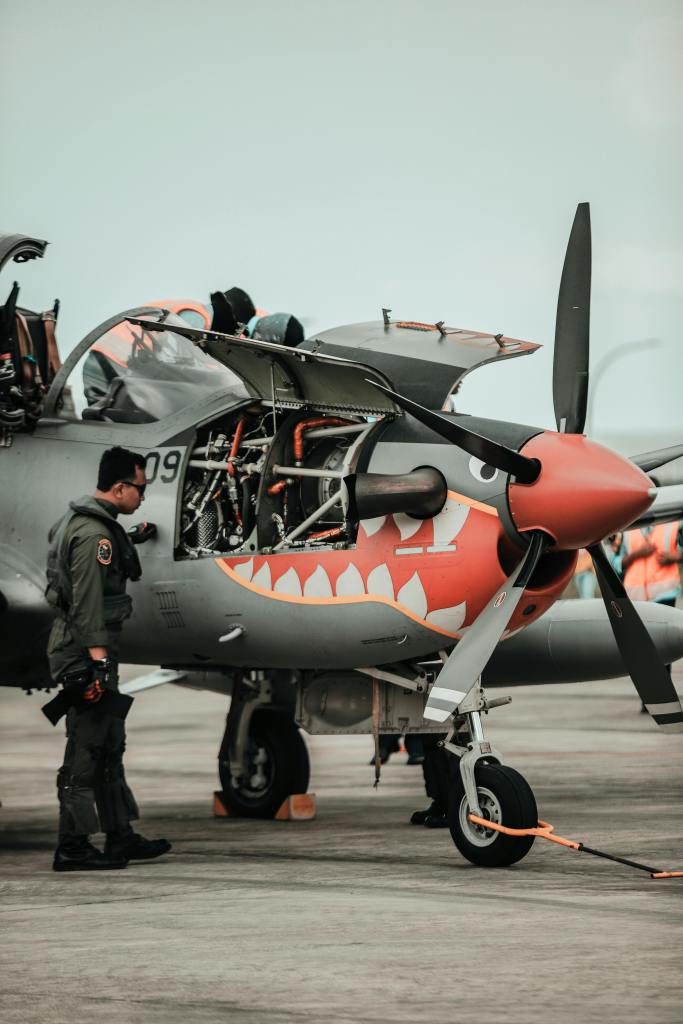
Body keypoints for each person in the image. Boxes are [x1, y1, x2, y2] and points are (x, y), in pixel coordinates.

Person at [45, 446, 170, 871]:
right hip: (85, 653)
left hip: (92, 651)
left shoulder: (96, 528)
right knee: (86, 751)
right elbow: (88, 605)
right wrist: (97, 665)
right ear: (119, 488)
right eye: (139, 488)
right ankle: (73, 847)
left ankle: (120, 837)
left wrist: (131, 540)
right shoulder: (95, 537)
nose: (142, 496)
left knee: (109, 745)